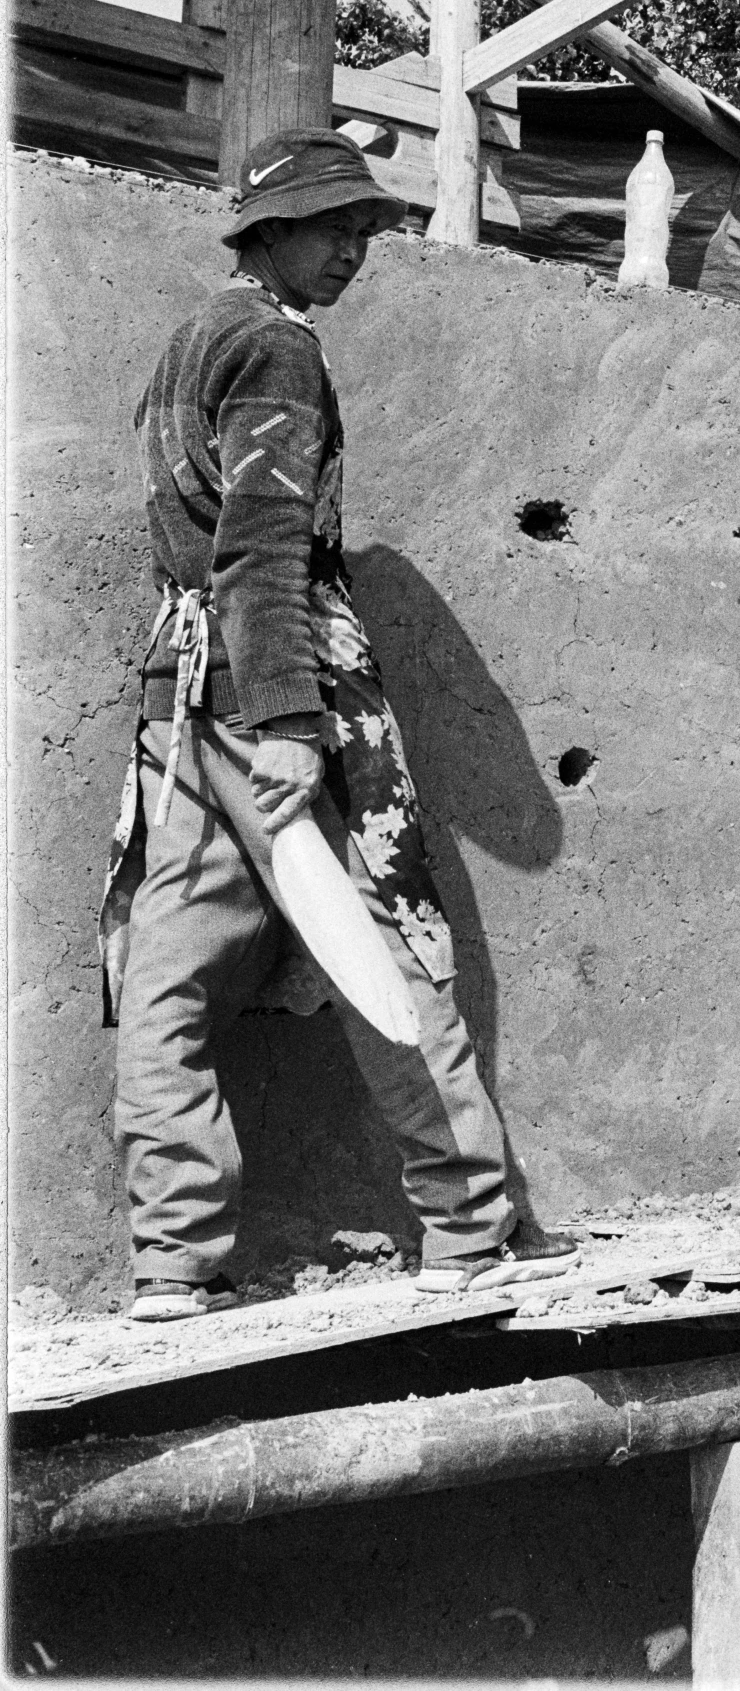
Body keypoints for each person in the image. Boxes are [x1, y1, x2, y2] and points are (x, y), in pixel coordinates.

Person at [100, 128, 576, 1321]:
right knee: (384, 939)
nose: (355, 249)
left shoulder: (188, 344)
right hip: (278, 689)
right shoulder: (274, 347)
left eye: (364, 229)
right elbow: (261, 545)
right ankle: (470, 1226)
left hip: (182, 697)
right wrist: (292, 723)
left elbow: (201, 547)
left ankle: (173, 1263)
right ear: (271, 230)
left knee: (168, 972)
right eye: (334, 227)